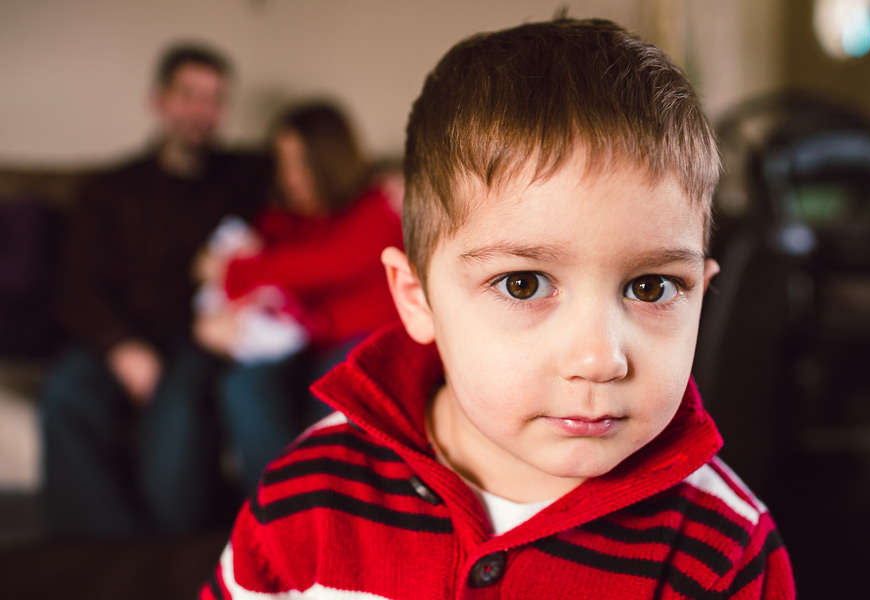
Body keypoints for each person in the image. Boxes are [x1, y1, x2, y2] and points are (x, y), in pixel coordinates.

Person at [202, 18, 795, 599]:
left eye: (650, 288)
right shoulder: (310, 496)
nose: (598, 358)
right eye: (522, 284)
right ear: (417, 298)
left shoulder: (725, 552)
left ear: (702, 291)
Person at [41, 42, 266, 537]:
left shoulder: (244, 179)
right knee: (65, 394)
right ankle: (111, 551)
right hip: (114, 334)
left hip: (194, 337)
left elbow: (317, 179)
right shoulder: (110, 188)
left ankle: (167, 549)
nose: (202, 111)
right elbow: (74, 284)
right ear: (159, 101)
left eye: (213, 99)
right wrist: (122, 347)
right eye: (190, 95)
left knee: (180, 407)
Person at [193, 100, 403, 495]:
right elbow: (256, 277)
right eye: (284, 163)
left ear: (331, 161)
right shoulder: (279, 220)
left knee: (337, 381)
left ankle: (330, 508)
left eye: (302, 163)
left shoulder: (379, 206)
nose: (291, 177)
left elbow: (326, 264)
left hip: (357, 342)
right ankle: (274, 511)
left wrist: (230, 268)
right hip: (302, 344)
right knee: (242, 386)